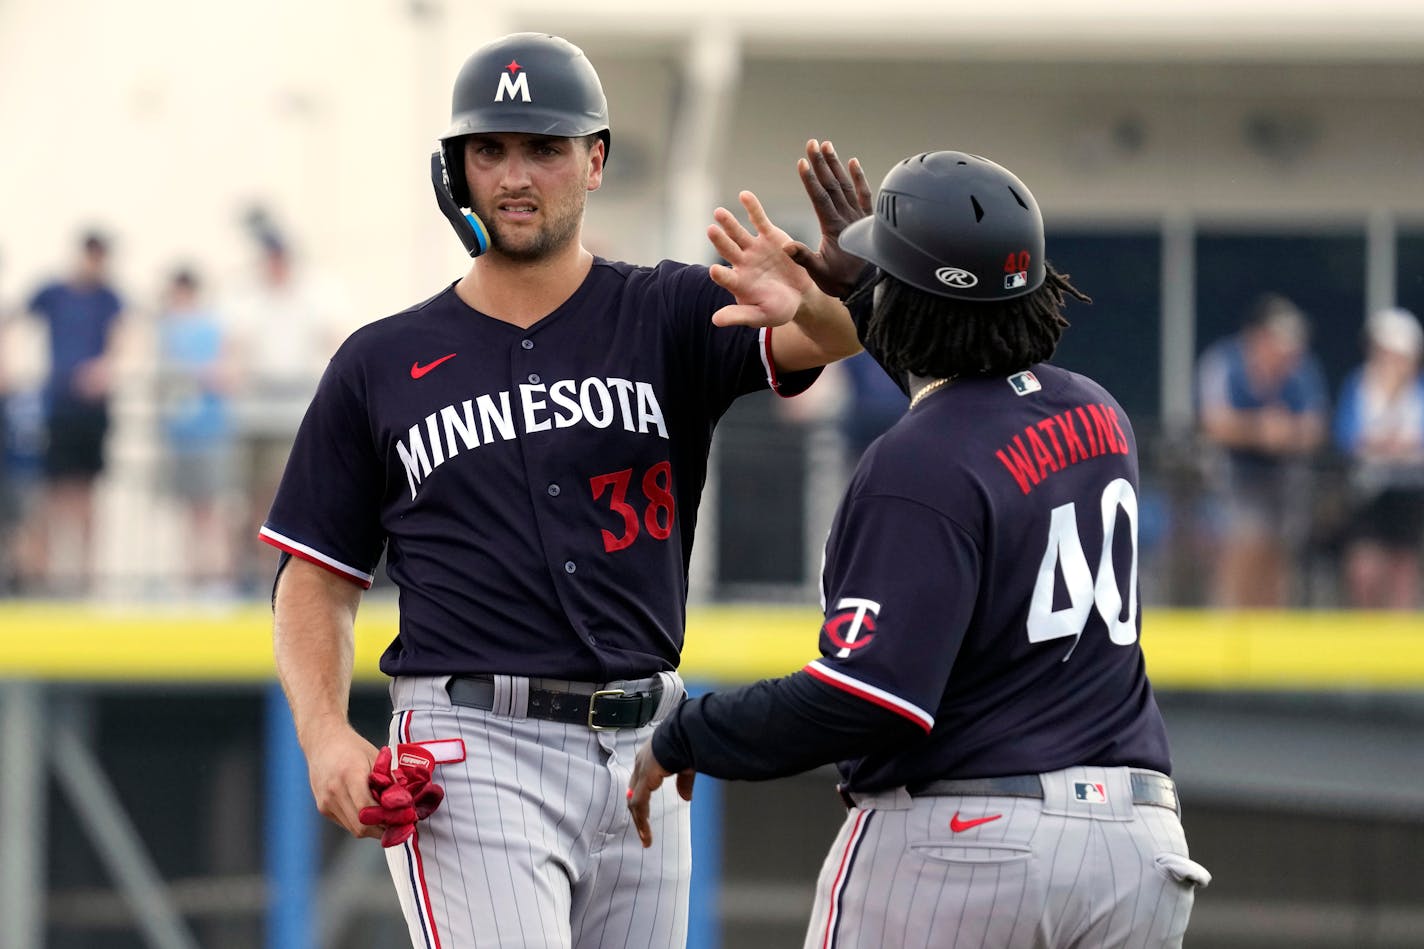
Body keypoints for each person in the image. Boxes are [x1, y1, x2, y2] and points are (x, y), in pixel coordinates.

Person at [260, 32, 866, 949]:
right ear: (455, 168)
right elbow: (316, 573)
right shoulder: (378, 362)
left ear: (595, 159)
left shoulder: (668, 311)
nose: (514, 175)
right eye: (489, 149)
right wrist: (324, 735)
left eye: (543, 148)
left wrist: (836, 291)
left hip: (646, 746)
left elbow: (828, 341)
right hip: (472, 746)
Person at [629, 150, 1210, 948]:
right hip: (1140, 848)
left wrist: (690, 730)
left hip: (971, 845)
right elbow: (964, 382)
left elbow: (868, 698)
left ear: (909, 300)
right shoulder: (1098, 414)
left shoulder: (914, 463)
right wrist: (866, 290)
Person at [1196, 293, 1327, 607]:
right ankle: (1229, 637)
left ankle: (1273, 639)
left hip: (1284, 482)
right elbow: (1214, 422)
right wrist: (1260, 430)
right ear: (1258, 336)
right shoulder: (1223, 361)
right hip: (1233, 478)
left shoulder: (1302, 367)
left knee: (1279, 560)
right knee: (1241, 550)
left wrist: (1284, 433)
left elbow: (1316, 427)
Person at [22, 229, 125, 594]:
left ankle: (85, 577)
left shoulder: (109, 298)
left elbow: (123, 337)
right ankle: (51, 575)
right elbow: (18, 321)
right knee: (53, 492)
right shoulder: (53, 293)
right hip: (58, 407)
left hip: (92, 411)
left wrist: (105, 368)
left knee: (87, 493)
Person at [1333, 307, 1424, 609]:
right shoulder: (1358, 387)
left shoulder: (1418, 393)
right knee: (1365, 568)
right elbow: (1347, 437)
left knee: (1403, 566)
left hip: (1409, 492)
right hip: (1368, 492)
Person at [154, 267, 236, 595]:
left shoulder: (211, 327)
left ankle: (216, 578)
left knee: (212, 509)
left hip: (209, 429)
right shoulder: (164, 330)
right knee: (186, 511)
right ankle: (189, 578)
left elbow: (224, 375)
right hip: (178, 434)